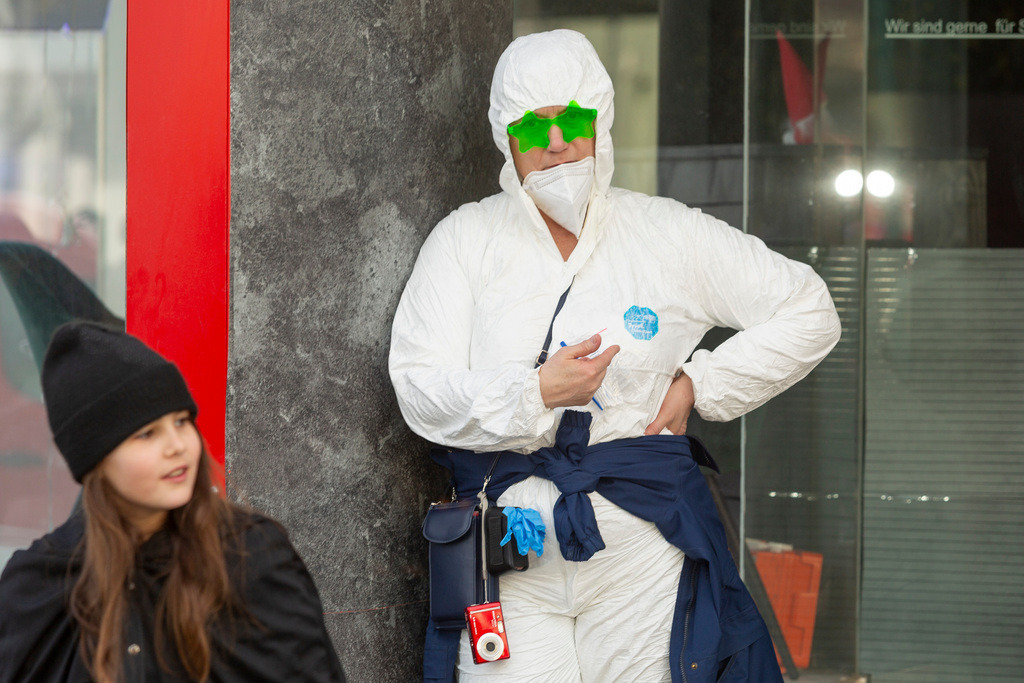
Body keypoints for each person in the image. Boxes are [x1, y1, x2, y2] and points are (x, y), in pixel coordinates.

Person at [390, 29, 841, 683]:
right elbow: (418, 386)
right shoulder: (464, 241)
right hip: (512, 549)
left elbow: (808, 308)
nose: (554, 144)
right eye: (532, 128)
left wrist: (699, 381)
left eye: (571, 121)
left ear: (599, 121)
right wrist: (534, 393)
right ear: (504, 136)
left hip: (639, 545)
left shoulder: (664, 233)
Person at [0, 321, 346, 683]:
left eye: (181, 421)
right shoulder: (38, 586)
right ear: (95, 460)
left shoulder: (252, 557)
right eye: (146, 433)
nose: (177, 446)